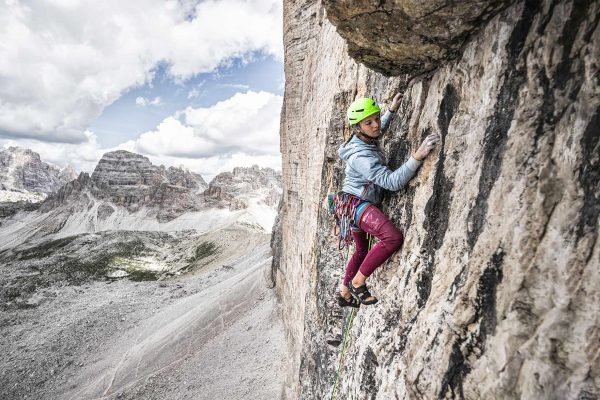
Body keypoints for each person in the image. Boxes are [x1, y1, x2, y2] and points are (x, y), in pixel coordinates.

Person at [337, 94, 440, 307]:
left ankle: (344, 293)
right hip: (357, 204)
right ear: (358, 127)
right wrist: (417, 156)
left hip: (348, 204)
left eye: (376, 118)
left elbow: (375, 129)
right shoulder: (360, 156)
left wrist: (390, 111)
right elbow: (390, 182)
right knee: (392, 238)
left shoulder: (362, 135)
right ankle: (358, 283)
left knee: (361, 251)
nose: (376, 125)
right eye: (369, 122)